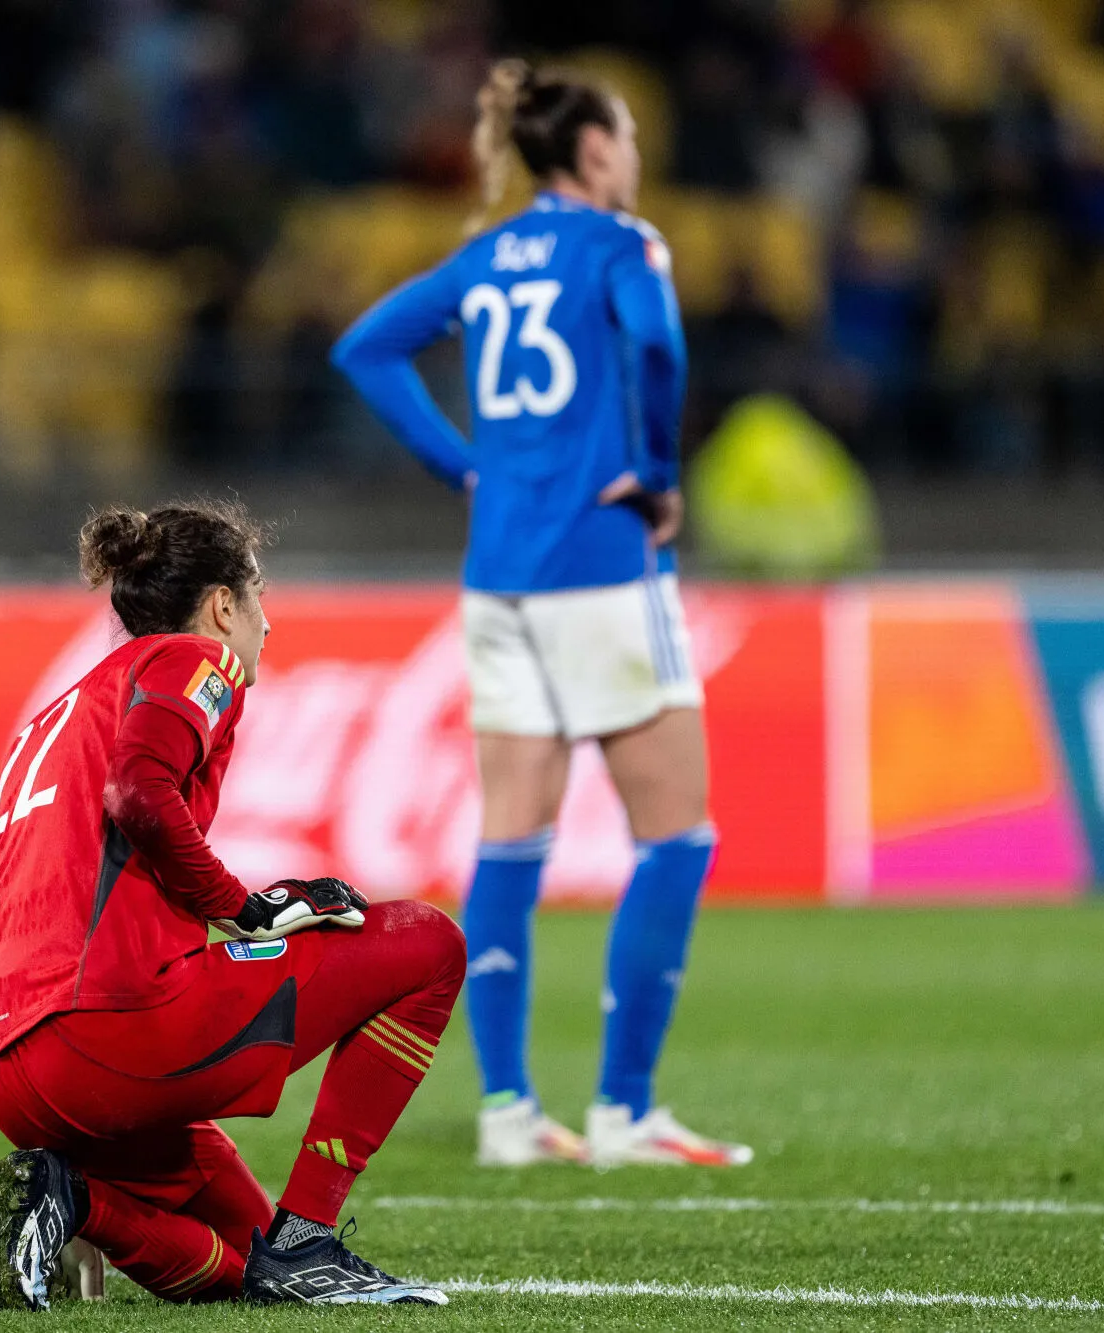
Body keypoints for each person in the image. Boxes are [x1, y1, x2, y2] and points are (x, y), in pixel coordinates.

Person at [331, 61, 749, 1170]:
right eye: (627, 137)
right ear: (596, 151)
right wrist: (658, 470)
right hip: (603, 568)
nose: (637, 157)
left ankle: (508, 1111)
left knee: (510, 840)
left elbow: (363, 349)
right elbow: (656, 346)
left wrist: (461, 467)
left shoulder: (484, 256)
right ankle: (623, 1110)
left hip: (498, 574)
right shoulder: (624, 245)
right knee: (677, 834)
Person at [0, 502, 463, 1309]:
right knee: (427, 942)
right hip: (105, 1028)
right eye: (259, 593)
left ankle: (69, 1197)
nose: (270, 621)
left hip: (8, 1063)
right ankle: (310, 1241)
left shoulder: (58, 711)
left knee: (245, 1268)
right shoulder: (194, 659)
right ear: (223, 604)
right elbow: (139, 791)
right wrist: (246, 909)